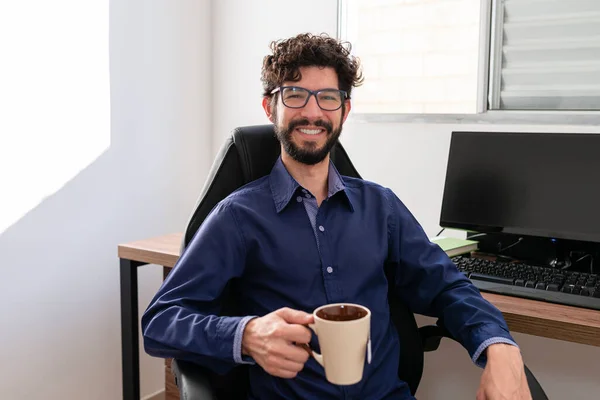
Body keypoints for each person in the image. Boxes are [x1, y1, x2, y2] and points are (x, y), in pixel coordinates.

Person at [141, 33, 532, 400]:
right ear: (270, 106)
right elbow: (159, 322)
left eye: (327, 97)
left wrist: (499, 346)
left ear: (344, 110)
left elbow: (449, 287)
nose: (312, 112)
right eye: (294, 95)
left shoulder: (382, 207)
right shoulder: (237, 217)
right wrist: (246, 334)